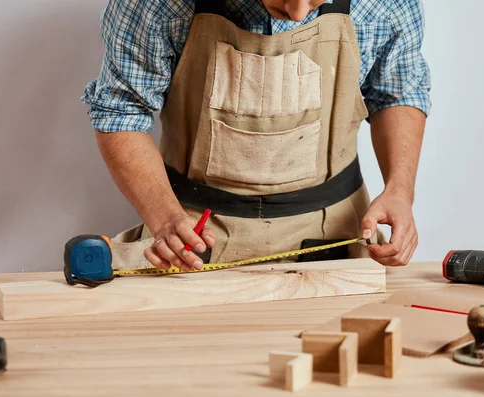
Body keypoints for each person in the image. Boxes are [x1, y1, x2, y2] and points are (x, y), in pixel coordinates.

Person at [82, 0, 431, 272]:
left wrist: (400, 191)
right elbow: (121, 112)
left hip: (335, 238)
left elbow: (396, 94)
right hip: (194, 237)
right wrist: (165, 216)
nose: (295, 13)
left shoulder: (385, 4)